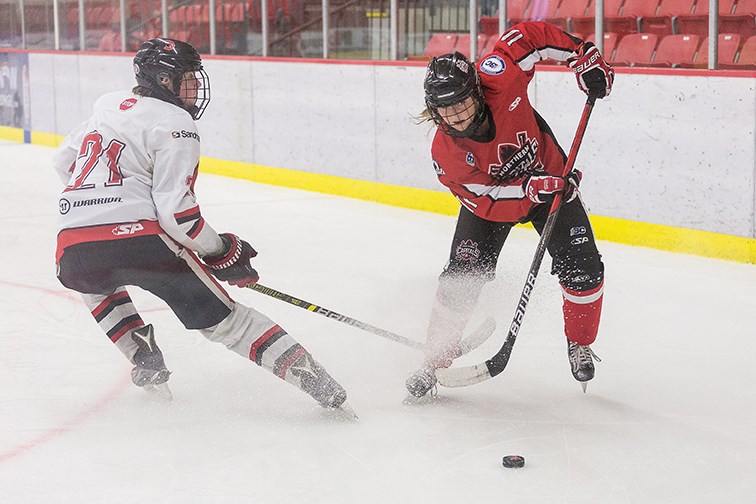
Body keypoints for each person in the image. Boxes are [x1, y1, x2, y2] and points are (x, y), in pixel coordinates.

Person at [53, 37, 349, 410]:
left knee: (93, 282)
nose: (195, 88)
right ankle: (320, 384)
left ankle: (143, 357)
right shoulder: (176, 122)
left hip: (71, 244)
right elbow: (177, 215)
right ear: (164, 81)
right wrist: (222, 250)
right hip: (143, 243)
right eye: (188, 79)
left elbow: (62, 162)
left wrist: (97, 203)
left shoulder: (108, 106)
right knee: (228, 322)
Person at [406, 22, 614, 397]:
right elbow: (485, 199)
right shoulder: (445, 154)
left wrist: (581, 54)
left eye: (462, 104)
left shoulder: (498, 77)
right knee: (460, 279)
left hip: (553, 184)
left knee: (583, 269)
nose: (455, 117)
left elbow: (529, 38)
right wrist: (527, 188)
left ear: (478, 93)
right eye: (445, 110)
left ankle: (580, 342)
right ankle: (433, 360)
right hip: (497, 204)